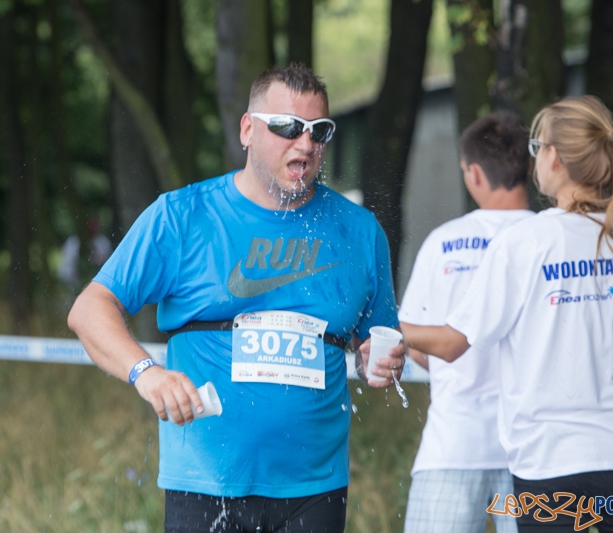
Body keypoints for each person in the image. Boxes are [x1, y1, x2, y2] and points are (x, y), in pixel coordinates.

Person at [67, 63, 404, 533]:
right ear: (248, 129)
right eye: (288, 128)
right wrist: (147, 374)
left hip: (315, 488)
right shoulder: (184, 216)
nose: (305, 145)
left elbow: (377, 345)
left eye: (319, 131)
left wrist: (379, 361)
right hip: (206, 482)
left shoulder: (361, 232)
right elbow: (89, 308)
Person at [402, 95, 613, 532]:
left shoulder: (525, 243)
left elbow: (452, 344)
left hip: (554, 468)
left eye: (537, 148)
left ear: (554, 157)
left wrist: (386, 327)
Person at [399, 111, 532, 533]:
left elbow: (415, 344)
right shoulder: (552, 240)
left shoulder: (443, 242)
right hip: (535, 453)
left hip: (453, 446)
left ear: (473, 172)